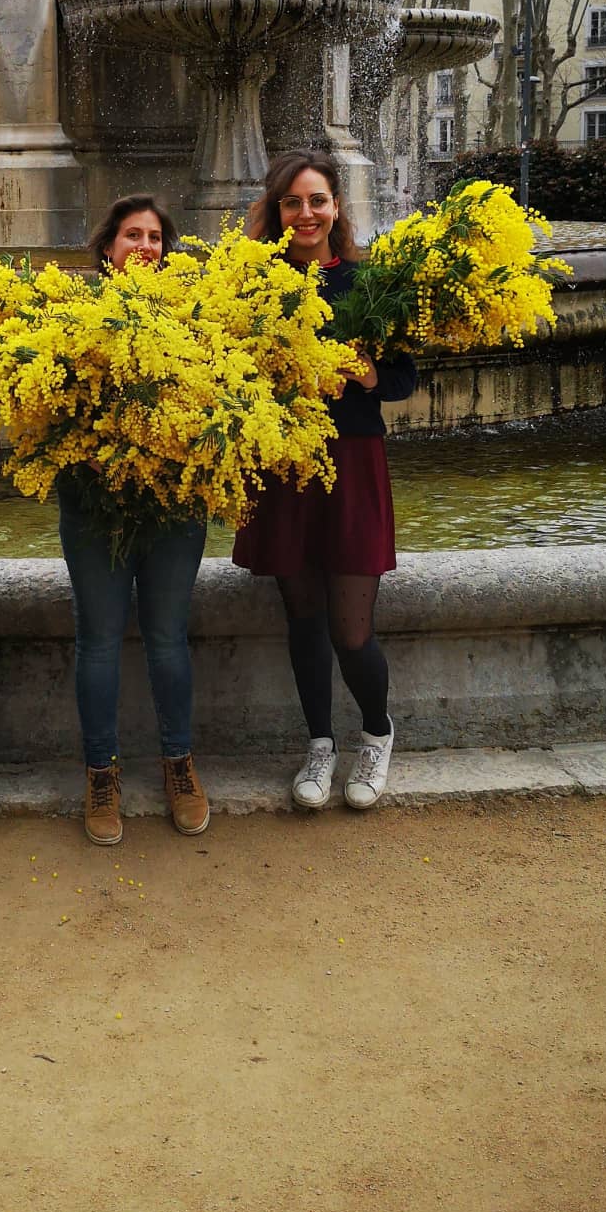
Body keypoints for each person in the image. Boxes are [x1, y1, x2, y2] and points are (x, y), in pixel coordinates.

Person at [233, 149, 416, 812]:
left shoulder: (368, 284)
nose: (305, 213)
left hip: (352, 464)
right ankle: (319, 743)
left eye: (316, 200)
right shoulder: (254, 284)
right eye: (292, 202)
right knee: (303, 618)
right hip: (283, 464)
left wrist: (368, 375)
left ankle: (376, 732)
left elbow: (403, 378)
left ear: (336, 206)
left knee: (351, 630)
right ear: (276, 211)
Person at [58, 194, 210, 847]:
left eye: (155, 237)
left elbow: (224, 399)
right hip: (93, 499)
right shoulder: (68, 316)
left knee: (168, 638)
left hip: (176, 501)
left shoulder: (199, 317)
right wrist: (88, 450)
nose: (145, 246)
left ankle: (178, 763)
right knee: (97, 639)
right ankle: (101, 774)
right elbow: (40, 404)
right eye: (133, 235)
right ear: (108, 249)